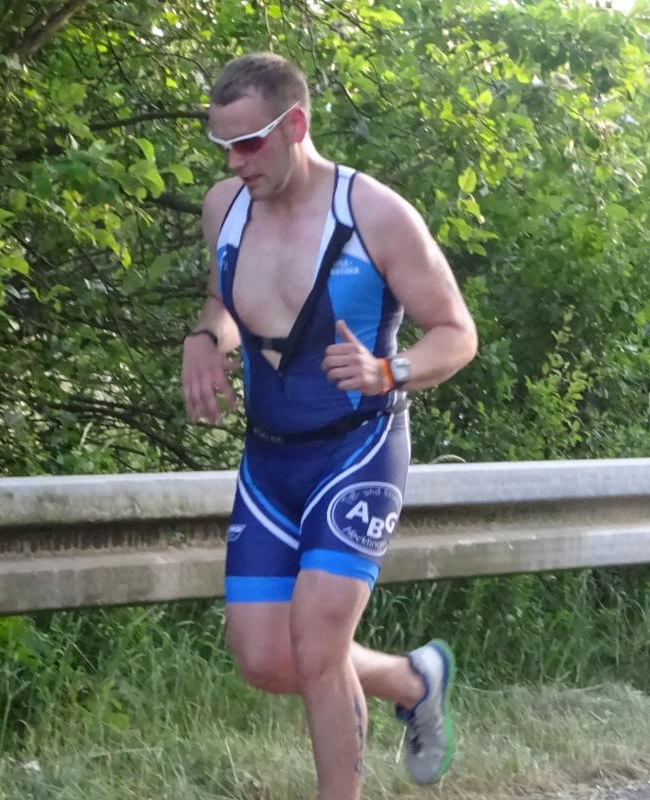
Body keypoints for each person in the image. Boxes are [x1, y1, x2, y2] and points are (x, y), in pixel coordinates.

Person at [181, 52, 478, 800]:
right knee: (263, 659)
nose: (236, 161)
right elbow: (223, 301)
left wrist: (391, 370)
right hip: (269, 461)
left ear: (296, 126)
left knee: (317, 646)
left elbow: (456, 334)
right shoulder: (225, 206)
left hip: (358, 450)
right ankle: (411, 680)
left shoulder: (374, 214)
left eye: (250, 143)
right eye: (223, 146)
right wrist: (205, 339)